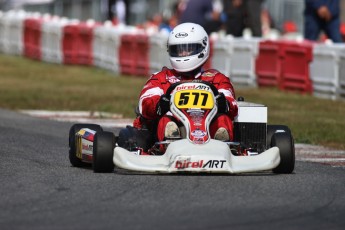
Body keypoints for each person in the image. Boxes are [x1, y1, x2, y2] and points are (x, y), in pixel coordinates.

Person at [133, 23, 238, 150]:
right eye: (178, 49)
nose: (182, 53)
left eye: (187, 48)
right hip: (173, 128)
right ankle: (170, 142)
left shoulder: (217, 78)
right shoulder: (161, 78)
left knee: (223, 118)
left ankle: (222, 145)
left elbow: (232, 104)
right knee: (166, 119)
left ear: (202, 47)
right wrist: (159, 105)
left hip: (209, 129)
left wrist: (224, 103)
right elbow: (145, 103)